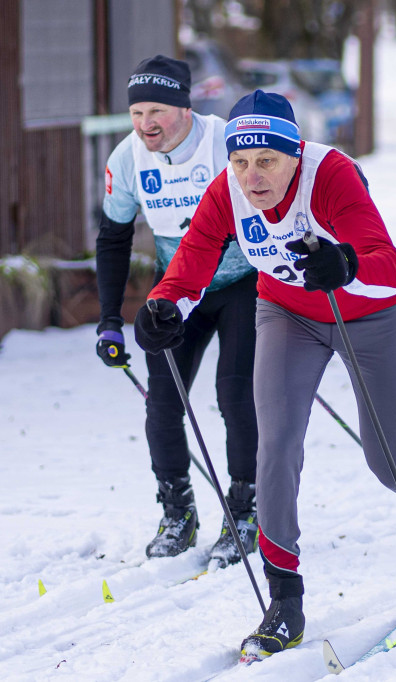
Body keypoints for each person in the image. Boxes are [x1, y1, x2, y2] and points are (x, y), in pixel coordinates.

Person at [132, 90, 396, 659]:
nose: (251, 176)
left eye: (267, 161)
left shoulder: (330, 176)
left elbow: (388, 265)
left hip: (368, 313)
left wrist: (348, 264)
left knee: (388, 459)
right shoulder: (228, 194)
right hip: (287, 312)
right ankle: (284, 597)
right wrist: (164, 307)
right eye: (239, 161)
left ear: (294, 154)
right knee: (275, 445)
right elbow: (189, 269)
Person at [94, 55, 260, 569]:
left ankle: (247, 509)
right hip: (179, 291)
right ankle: (177, 511)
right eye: (138, 111)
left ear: (185, 109)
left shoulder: (225, 143)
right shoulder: (127, 159)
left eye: (157, 110)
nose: (146, 124)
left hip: (243, 283)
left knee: (233, 394)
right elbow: (114, 239)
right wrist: (108, 319)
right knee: (162, 402)